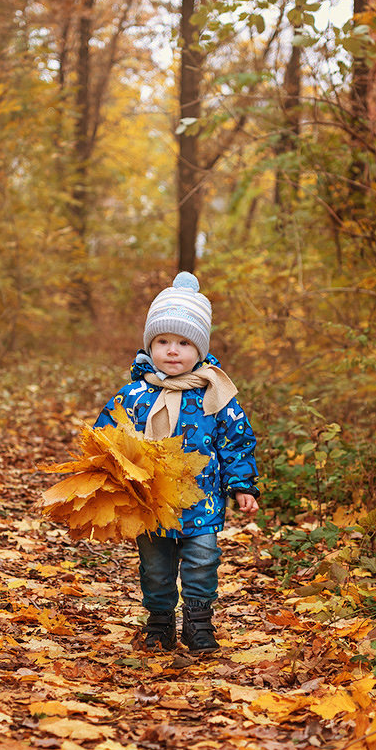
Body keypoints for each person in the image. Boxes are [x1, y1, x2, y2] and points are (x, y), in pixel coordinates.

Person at [94, 271, 260, 653]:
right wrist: (109, 480)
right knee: (156, 569)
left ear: (199, 350)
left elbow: (236, 440)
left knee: (203, 561)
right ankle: (160, 623)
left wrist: (242, 486)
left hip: (201, 501)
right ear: (150, 345)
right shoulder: (134, 395)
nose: (172, 350)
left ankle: (198, 624)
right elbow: (108, 438)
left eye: (183, 342)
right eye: (163, 341)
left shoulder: (214, 394)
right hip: (151, 501)